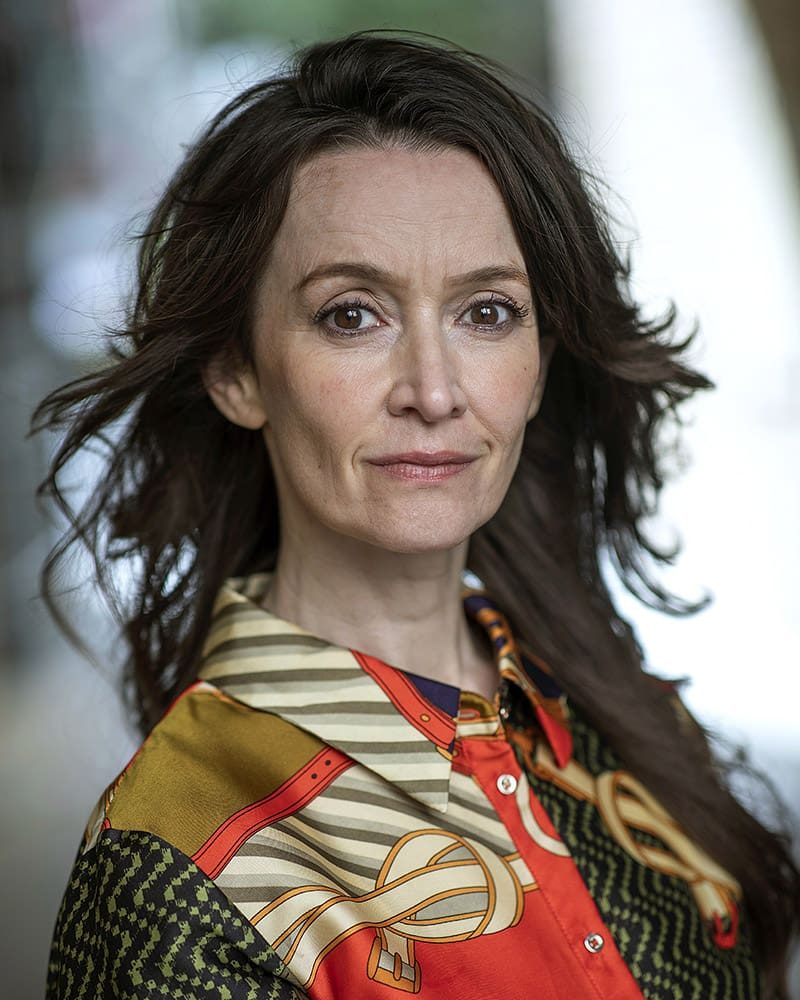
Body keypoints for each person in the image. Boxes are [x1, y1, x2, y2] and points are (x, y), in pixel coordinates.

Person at [36, 31, 799, 1000]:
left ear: (537, 364)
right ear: (235, 371)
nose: (433, 391)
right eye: (352, 313)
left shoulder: (621, 719)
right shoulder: (174, 872)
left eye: (485, 312)